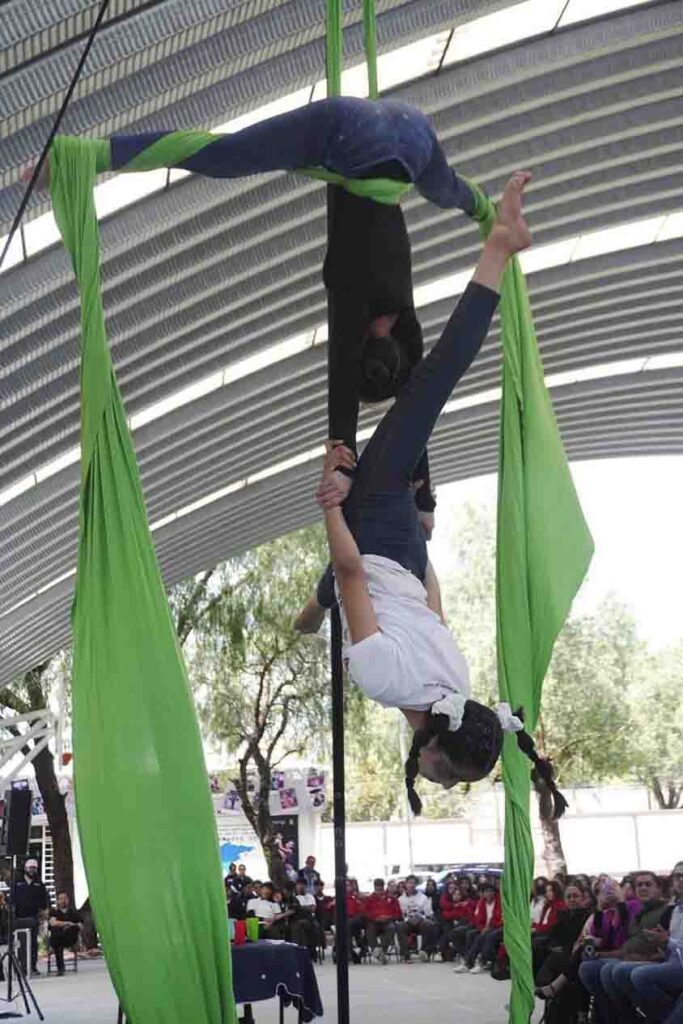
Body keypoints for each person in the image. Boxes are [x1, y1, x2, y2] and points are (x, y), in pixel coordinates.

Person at [313, 172, 568, 818]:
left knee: (413, 404)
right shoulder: (386, 682)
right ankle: (499, 249)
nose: (435, 780)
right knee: (427, 386)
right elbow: (348, 574)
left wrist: (413, 522)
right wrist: (333, 504)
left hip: (399, 544)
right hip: (371, 533)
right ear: (432, 746)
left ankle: (308, 606)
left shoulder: (455, 682)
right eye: (443, 777)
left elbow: (432, 600)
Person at [578, 871, 668, 1024]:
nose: (643, 888)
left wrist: (620, 903)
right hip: (623, 955)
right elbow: (600, 938)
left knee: (608, 970)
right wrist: (600, 910)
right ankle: (610, 1017)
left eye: (648, 884)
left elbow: (620, 940)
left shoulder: (635, 907)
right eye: (600, 891)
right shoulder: (633, 911)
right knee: (586, 967)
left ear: (659, 888)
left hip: (645, 960)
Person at [616, 862, 683, 1024]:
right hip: (672, 961)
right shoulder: (675, 910)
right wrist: (663, 945)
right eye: (677, 876)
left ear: (659, 888)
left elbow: (673, 944)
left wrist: (667, 942)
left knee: (639, 975)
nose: (680, 880)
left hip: (678, 965)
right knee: (618, 971)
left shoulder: (663, 909)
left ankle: (665, 1017)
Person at [454, 882, 503, 974]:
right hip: (484, 928)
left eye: (491, 891)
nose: (489, 893)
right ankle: (469, 961)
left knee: (484, 936)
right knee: (470, 934)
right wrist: (482, 928)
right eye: (486, 892)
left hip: (497, 927)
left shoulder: (499, 902)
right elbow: (478, 919)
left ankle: (479, 962)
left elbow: (500, 918)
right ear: (483, 894)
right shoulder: (482, 903)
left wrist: (489, 927)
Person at [12, 858, 50, 977]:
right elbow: (12, 899)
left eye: (34, 868)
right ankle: (21, 967)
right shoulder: (17, 882)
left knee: (33, 944)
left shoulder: (39, 884)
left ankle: (32, 967)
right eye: (30, 868)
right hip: (19, 919)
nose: (32, 871)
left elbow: (44, 900)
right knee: (20, 944)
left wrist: (44, 911)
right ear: (26, 869)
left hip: (33, 919)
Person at [397, 875, 439, 962]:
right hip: (407, 922)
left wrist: (419, 917)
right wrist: (407, 919)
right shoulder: (400, 899)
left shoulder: (423, 898)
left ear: (416, 885)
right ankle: (405, 954)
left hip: (421, 922)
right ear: (406, 884)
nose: (411, 885)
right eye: (409, 883)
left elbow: (428, 913)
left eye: (413, 883)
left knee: (429, 924)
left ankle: (425, 952)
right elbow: (400, 914)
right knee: (400, 926)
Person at [364, 879, 402, 964]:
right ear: (374, 888)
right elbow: (364, 912)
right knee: (369, 928)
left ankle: (381, 951)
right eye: (377, 889)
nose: (379, 892)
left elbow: (399, 914)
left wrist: (389, 917)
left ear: (383, 888)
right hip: (374, 921)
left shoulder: (391, 900)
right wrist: (375, 918)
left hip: (387, 921)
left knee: (391, 927)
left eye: (380, 889)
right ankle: (375, 949)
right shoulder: (369, 899)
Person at [438, 882, 475, 962]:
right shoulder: (451, 904)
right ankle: (442, 952)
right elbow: (446, 915)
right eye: (454, 894)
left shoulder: (466, 903)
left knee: (456, 928)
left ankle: (442, 951)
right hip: (452, 924)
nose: (455, 896)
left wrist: (457, 910)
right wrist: (455, 908)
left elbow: (466, 915)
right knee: (447, 929)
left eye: (458, 894)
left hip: (465, 924)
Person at [48, 891, 82, 976]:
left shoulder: (73, 912)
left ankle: (60, 968)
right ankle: (60, 969)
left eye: (65, 898)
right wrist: (66, 923)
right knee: (57, 936)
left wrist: (71, 925)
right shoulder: (54, 912)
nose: (63, 901)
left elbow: (81, 925)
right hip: (58, 939)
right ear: (57, 901)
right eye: (61, 899)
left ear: (68, 900)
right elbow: (52, 922)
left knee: (68, 929)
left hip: (69, 938)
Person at [290, 879, 320, 959]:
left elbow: (313, 909)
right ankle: (299, 953)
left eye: (303, 884)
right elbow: (293, 909)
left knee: (314, 927)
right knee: (297, 927)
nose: (301, 886)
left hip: (309, 918)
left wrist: (300, 907)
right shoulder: (293, 897)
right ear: (296, 886)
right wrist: (306, 907)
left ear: (306, 886)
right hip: (297, 918)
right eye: (299, 884)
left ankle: (312, 953)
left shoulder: (309, 896)